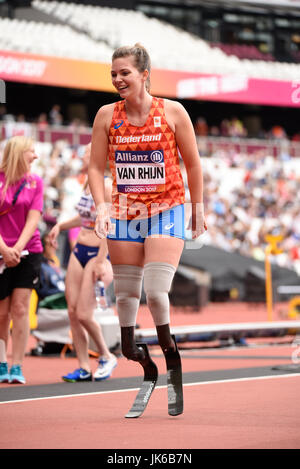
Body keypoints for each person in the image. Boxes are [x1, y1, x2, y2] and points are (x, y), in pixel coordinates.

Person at [88, 43, 206, 415]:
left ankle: (170, 355)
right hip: (125, 212)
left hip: (166, 210)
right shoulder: (107, 115)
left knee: (155, 294)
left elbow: (193, 164)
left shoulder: (172, 111)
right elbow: (94, 168)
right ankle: (140, 359)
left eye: (124, 72)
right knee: (125, 302)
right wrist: (103, 206)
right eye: (113, 74)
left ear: (144, 74)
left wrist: (197, 209)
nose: (118, 79)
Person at [48, 143, 117, 382]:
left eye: (88, 151)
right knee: (72, 311)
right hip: (80, 250)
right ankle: (83, 366)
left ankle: (107, 356)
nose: (83, 154)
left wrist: (100, 261)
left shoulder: (107, 185)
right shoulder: (89, 183)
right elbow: (86, 217)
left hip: (99, 253)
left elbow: (111, 225)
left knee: (85, 314)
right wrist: (60, 225)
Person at [0, 136, 44, 384]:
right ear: (18, 153)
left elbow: (34, 218)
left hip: (28, 251)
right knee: (2, 312)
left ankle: (17, 365)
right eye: (31, 151)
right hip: (1, 251)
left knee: (20, 308)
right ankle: (1, 362)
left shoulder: (35, 181)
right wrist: (4, 249)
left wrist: (16, 248)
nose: (35, 156)